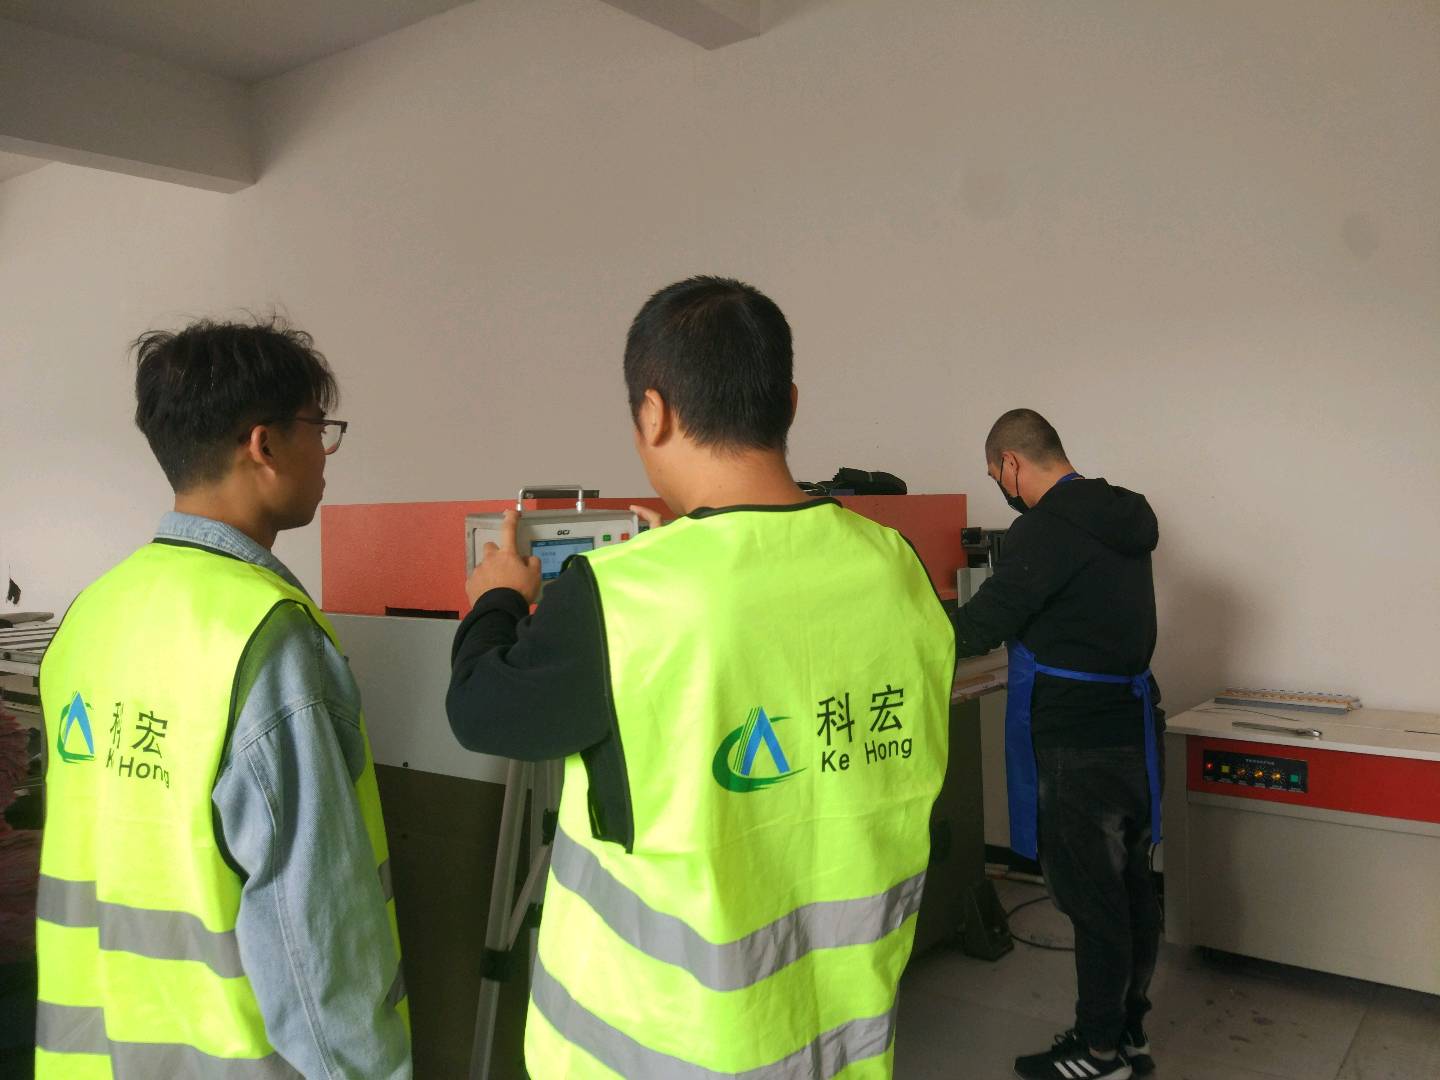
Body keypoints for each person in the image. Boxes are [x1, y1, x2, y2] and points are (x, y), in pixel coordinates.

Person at [447, 276, 955, 1078]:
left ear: (654, 413)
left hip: (663, 1051)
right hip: (841, 1037)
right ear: (789, 405)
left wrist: (498, 600)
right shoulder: (894, 565)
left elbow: (482, 710)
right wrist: (688, 546)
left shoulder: (621, 595)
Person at [35, 319, 410, 1078]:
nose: (325, 454)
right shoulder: (266, 638)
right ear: (264, 445)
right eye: (319, 429)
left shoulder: (91, 612)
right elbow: (317, 944)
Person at [950, 409, 1162, 1080]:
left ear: (1012, 463)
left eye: (995, 474)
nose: (1000, 487)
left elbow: (979, 626)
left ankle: (1098, 1054)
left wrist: (899, 632)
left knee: (1093, 904)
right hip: (1133, 728)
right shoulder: (1125, 512)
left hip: (1077, 742)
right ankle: (1127, 1031)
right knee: (1132, 889)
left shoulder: (1044, 529)